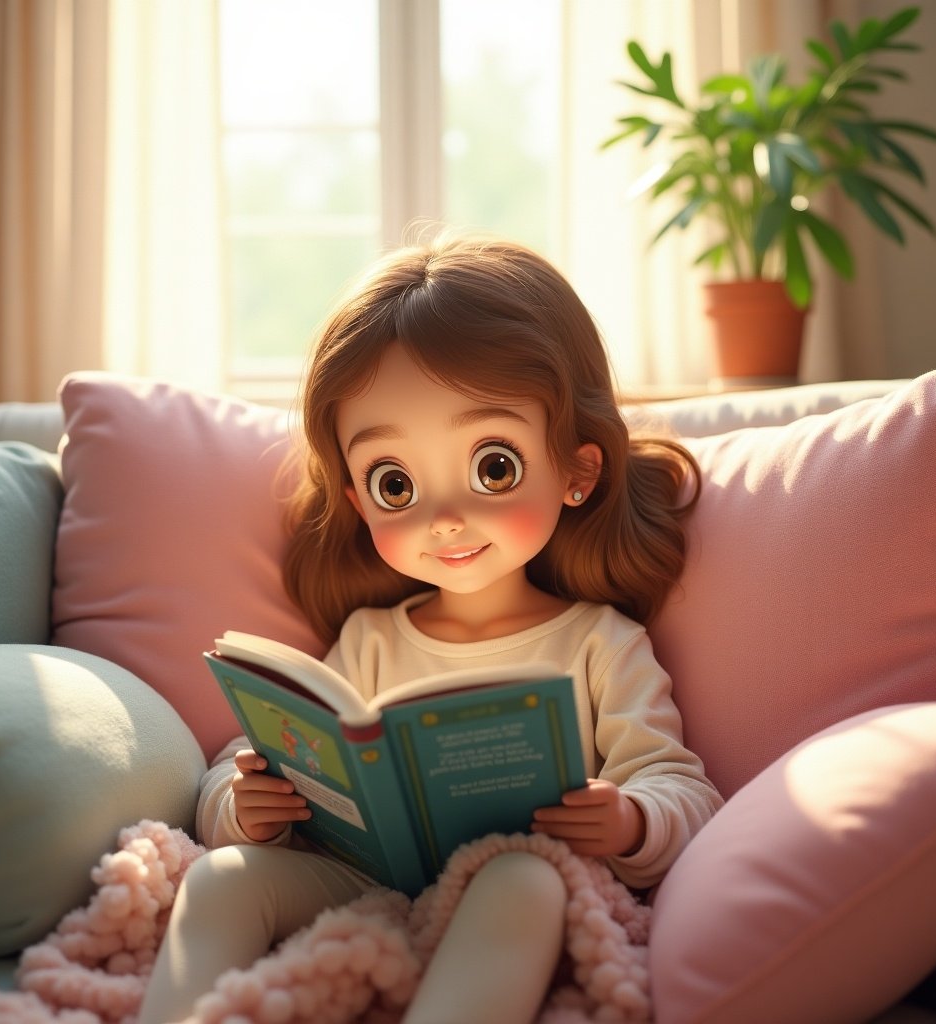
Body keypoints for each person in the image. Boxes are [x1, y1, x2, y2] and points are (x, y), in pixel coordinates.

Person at [138, 234, 723, 1024]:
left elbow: (682, 786)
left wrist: (628, 818)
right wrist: (245, 804)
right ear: (355, 498)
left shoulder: (598, 641)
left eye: (494, 467)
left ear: (578, 472)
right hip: (361, 889)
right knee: (219, 878)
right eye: (396, 482)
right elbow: (241, 769)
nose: (445, 517)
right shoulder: (371, 640)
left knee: (523, 880)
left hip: (514, 888)